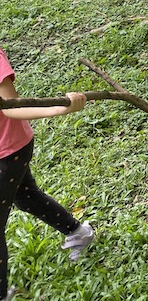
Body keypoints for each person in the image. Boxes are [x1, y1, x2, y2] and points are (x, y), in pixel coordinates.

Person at [1, 48, 95, 301]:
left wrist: (60, 108)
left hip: (7, 152)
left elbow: (11, 107)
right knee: (26, 196)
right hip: (9, 150)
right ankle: (78, 233)